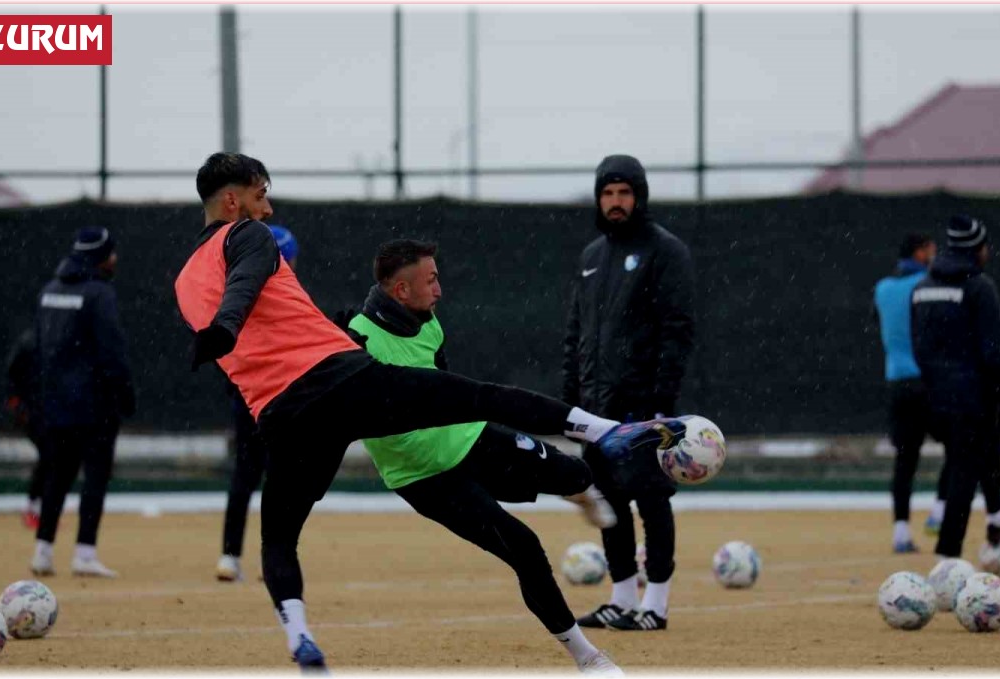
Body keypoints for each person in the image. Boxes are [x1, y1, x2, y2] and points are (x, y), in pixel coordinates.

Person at [174, 152, 679, 674]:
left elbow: (238, 299)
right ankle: (609, 434)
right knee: (479, 396)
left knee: (277, 537)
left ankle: (300, 639)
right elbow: (245, 283)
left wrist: (223, 332)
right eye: (261, 196)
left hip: (282, 417)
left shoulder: (184, 282)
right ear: (233, 201)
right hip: (339, 385)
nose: (268, 208)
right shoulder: (250, 234)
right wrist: (228, 326)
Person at [335, 238, 619, 668]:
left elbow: (448, 389)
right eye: (430, 280)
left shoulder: (427, 322)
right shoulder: (356, 342)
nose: (440, 289)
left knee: (577, 475)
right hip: (423, 479)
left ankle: (579, 494)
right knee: (524, 546)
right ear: (401, 291)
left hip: (471, 440)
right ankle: (589, 658)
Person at [563, 154, 695, 632]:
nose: (615, 202)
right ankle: (621, 599)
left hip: (643, 404)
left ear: (639, 196)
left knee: (651, 497)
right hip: (595, 405)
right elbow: (577, 333)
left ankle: (655, 605)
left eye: (624, 193)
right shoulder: (591, 257)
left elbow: (677, 330)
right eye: (607, 193)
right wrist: (570, 400)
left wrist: (663, 400)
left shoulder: (665, 251)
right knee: (606, 497)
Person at [874, 233, 1000, 553]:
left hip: (898, 383)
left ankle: (901, 532)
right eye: (931, 251)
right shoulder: (931, 285)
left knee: (905, 461)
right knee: (960, 450)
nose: (935, 257)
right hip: (933, 384)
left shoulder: (882, 289)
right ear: (920, 253)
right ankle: (939, 511)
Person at [29, 227, 135, 578]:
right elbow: (112, 350)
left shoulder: (49, 291)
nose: (115, 259)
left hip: (56, 403)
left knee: (56, 476)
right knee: (95, 477)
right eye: (112, 253)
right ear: (100, 257)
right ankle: (84, 552)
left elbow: (39, 348)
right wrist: (124, 392)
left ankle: (43, 550)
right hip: (95, 406)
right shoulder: (99, 294)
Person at [911, 215, 1000, 561]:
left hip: (933, 397)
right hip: (972, 397)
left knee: (974, 460)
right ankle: (948, 556)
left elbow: (920, 347)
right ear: (977, 249)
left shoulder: (922, 288)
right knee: (964, 473)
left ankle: (996, 523)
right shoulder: (979, 287)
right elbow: (994, 352)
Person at [216, 225, 300, 583]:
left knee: (244, 477)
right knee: (281, 482)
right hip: (281, 400)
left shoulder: (238, 292)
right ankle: (275, 557)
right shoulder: (288, 297)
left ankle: (229, 556)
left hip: (248, 398)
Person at [5, 327, 48, 530]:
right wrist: (17, 404)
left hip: (48, 410)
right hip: (30, 412)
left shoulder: (58, 340)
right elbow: (11, 376)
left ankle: (37, 508)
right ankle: (32, 508)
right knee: (49, 454)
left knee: (52, 456)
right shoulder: (29, 342)